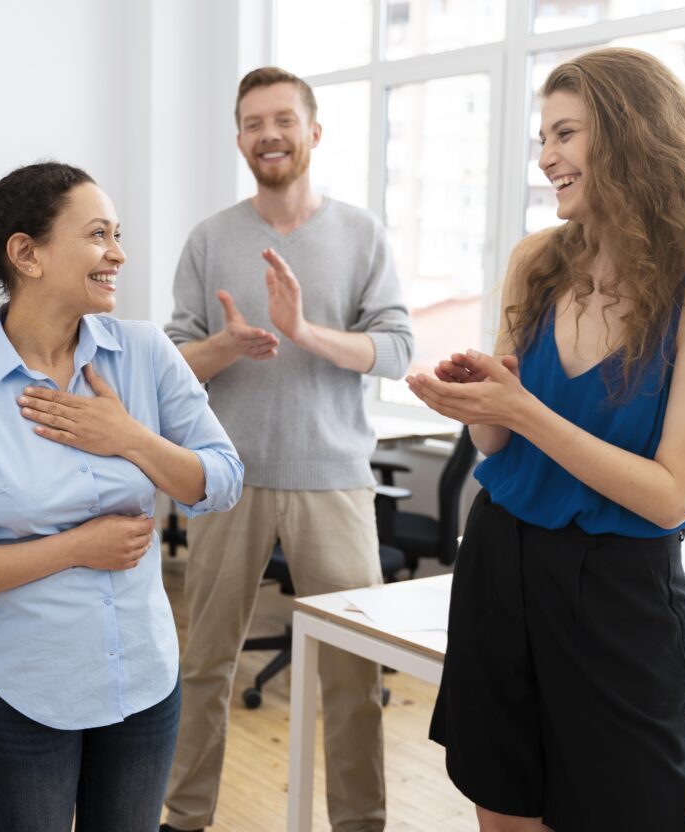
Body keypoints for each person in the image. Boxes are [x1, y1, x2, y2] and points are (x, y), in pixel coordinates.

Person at [409, 47, 685, 832]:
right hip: (500, 558)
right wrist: (477, 399)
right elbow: (496, 445)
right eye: (543, 138)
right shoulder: (537, 263)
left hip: (619, 588)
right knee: (504, 808)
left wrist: (522, 412)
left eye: (566, 134)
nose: (546, 157)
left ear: (631, 133)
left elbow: (672, 495)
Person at [0, 161, 243, 831]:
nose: (118, 254)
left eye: (117, 234)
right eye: (97, 235)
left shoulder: (145, 352)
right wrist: (77, 548)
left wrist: (130, 438)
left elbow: (223, 478)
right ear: (27, 254)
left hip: (144, 681)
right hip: (25, 693)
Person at [162, 67, 414, 832]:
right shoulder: (210, 239)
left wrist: (304, 333)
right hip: (226, 480)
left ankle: (360, 822)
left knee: (353, 671)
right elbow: (172, 364)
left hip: (334, 481)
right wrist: (226, 346)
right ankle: (184, 816)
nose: (268, 134)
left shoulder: (361, 234)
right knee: (204, 664)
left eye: (282, 119)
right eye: (253, 123)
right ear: (239, 139)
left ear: (314, 131)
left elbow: (397, 349)